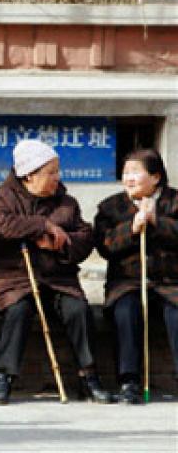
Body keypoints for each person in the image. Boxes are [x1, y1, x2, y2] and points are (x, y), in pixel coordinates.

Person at [0, 139, 111, 405]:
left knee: (78, 310)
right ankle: (3, 376)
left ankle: (88, 377)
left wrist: (59, 243)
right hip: (13, 277)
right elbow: (2, 226)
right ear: (29, 175)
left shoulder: (66, 202)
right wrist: (43, 225)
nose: (57, 178)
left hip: (58, 277)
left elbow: (85, 237)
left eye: (57, 171)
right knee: (18, 311)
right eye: (50, 172)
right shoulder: (0, 197)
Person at [94, 148, 178, 404]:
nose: (128, 179)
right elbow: (105, 245)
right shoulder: (111, 207)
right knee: (125, 312)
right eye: (125, 173)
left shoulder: (174, 202)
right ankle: (128, 379)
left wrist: (157, 222)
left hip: (170, 282)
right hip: (128, 282)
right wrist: (131, 228)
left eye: (135, 173)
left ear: (155, 177)